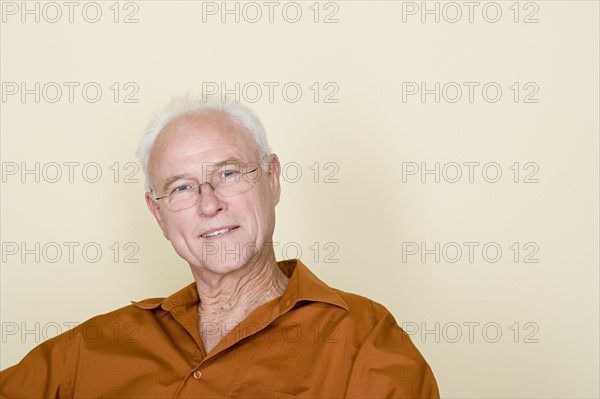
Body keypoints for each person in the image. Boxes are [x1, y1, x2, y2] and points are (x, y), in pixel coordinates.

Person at [0, 95, 439, 398]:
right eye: (183, 187)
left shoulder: (363, 340)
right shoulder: (92, 348)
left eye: (229, 174)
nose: (210, 203)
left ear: (272, 178)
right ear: (158, 214)